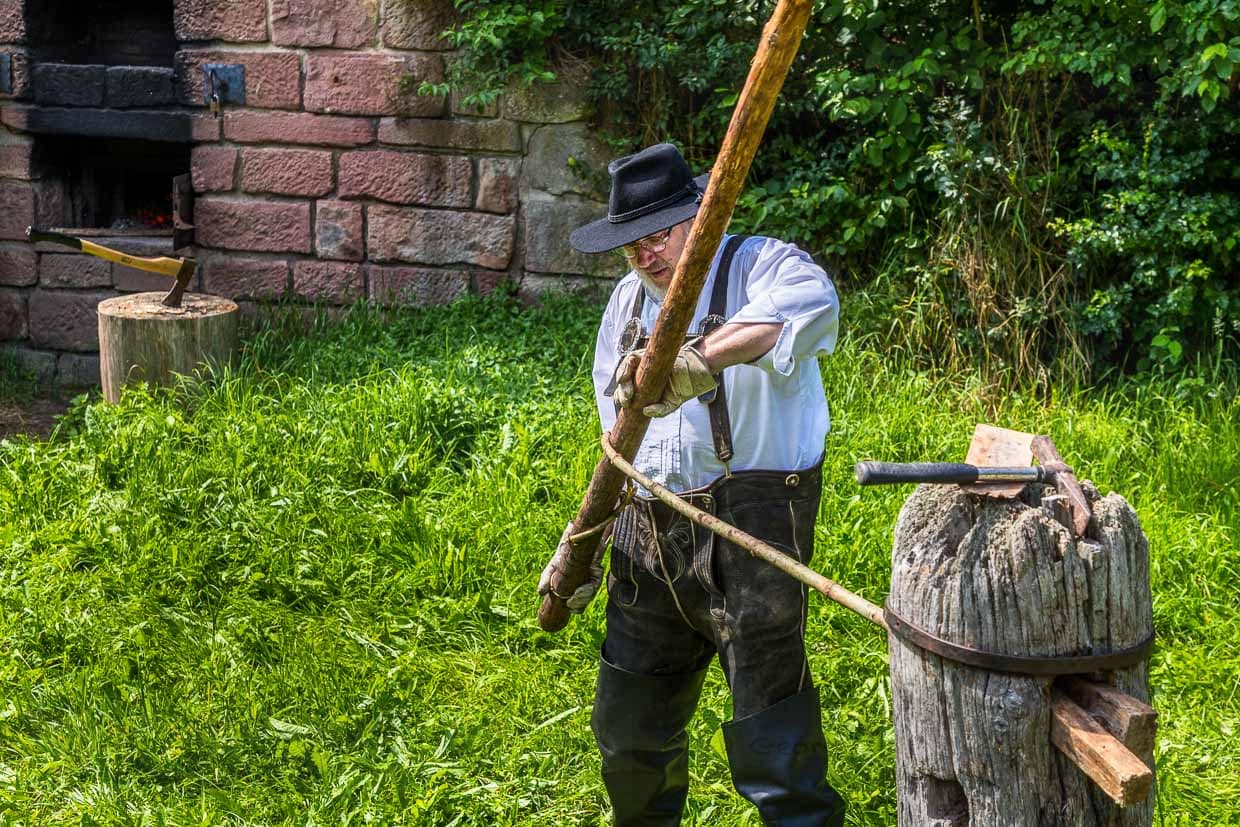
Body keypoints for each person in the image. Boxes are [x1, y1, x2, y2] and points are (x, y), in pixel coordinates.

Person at [540, 142, 846, 826]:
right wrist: (584, 538)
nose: (648, 256)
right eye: (633, 244)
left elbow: (812, 306)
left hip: (754, 532)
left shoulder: (761, 264)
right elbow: (620, 450)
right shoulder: (624, 307)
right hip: (647, 537)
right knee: (629, 736)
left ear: (698, 216)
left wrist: (700, 358)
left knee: (777, 749)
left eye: (660, 235)